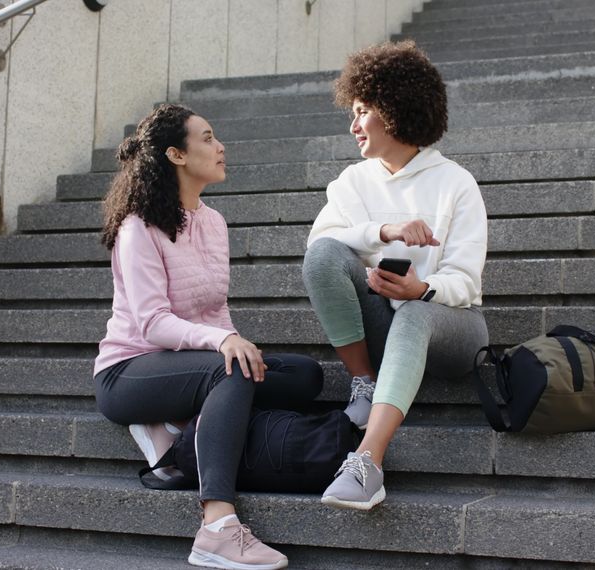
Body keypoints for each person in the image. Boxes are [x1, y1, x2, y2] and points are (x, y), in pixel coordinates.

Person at [94, 103, 323, 570]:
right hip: (129, 371)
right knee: (229, 372)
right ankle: (217, 525)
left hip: (190, 367)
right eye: (207, 138)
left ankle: (181, 428)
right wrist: (222, 346)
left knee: (304, 375)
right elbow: (152, 322)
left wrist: (236, 341)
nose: (220, 147)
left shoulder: (213, 222)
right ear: (176, 155)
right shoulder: (138, 228)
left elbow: (215, 310)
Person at [302, 40, 489, 511]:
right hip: (382, 325)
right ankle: (364, 382)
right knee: (325, 252)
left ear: (393, 108)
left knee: (414, 314)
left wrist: (420, 289)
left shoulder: (456, 183)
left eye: (362, 110)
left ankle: (368, 462)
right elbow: (320, 249)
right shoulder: (352, 182)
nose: (353, 124)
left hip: (452, 327)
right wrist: (384, 231)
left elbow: (465, 280)